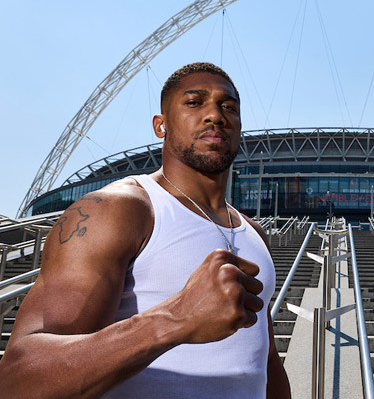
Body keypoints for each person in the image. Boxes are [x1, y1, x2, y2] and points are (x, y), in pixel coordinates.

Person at [0, 62, 291, 398]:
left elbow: (265, 359)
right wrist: (175, 318)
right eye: (195, 102)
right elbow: (17, 381)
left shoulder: (254, 233)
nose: (215, 115)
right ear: (160, 125)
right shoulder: (118, 211)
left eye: (229, 107)